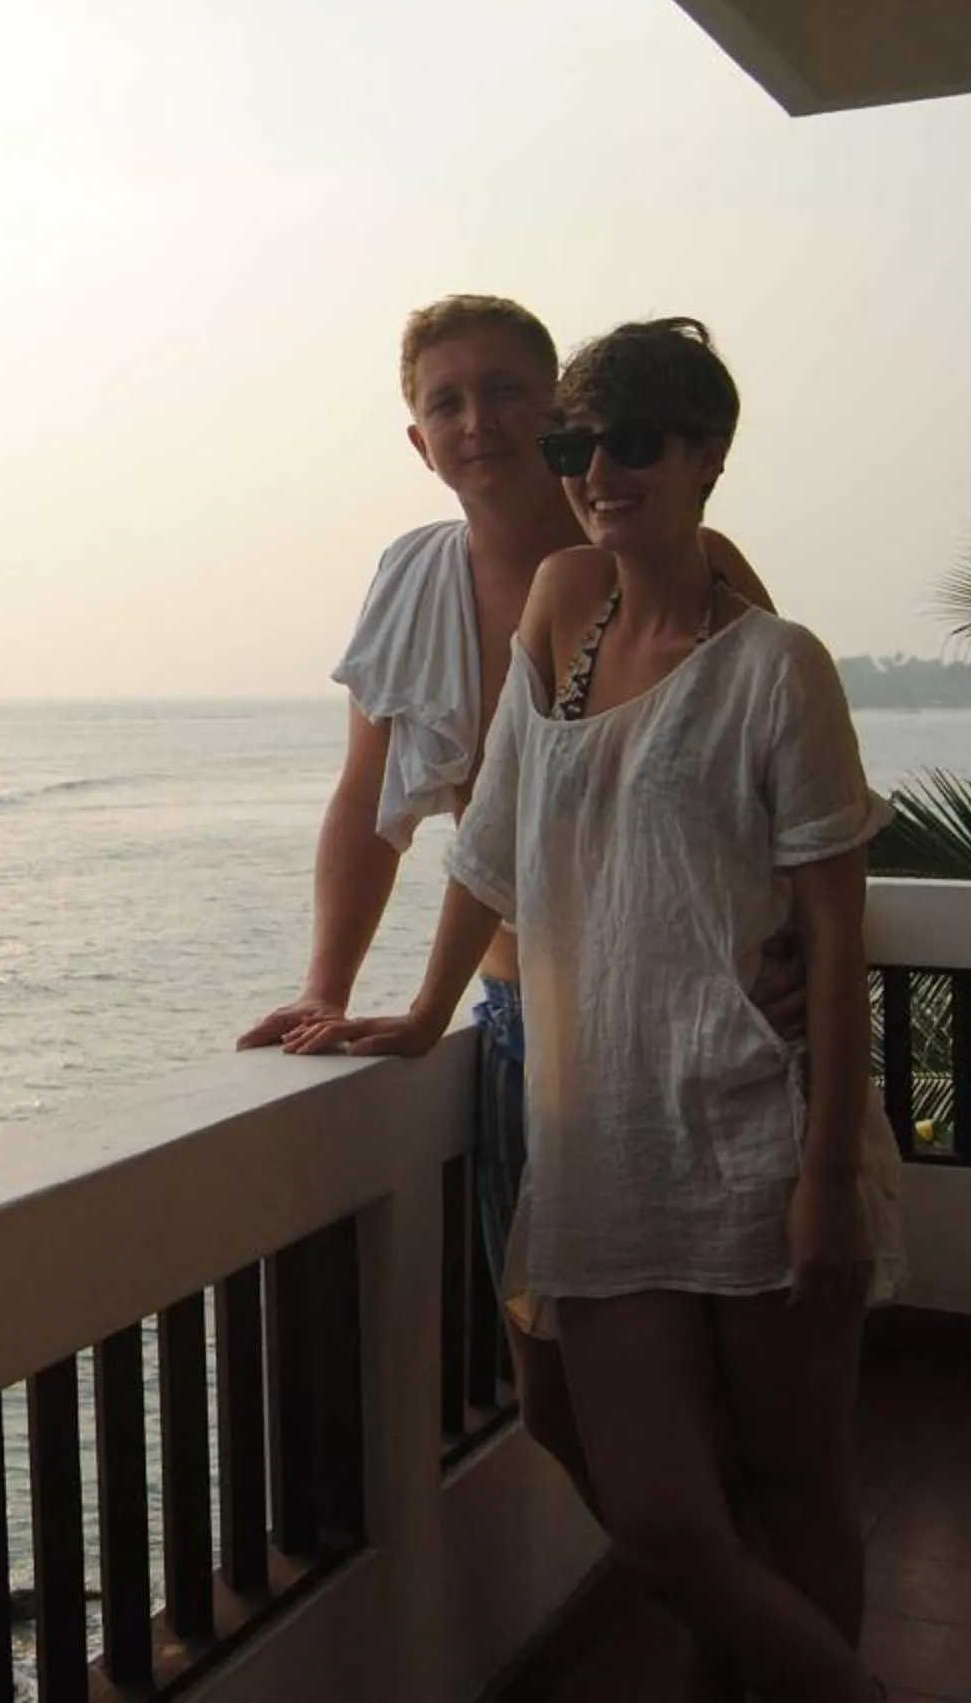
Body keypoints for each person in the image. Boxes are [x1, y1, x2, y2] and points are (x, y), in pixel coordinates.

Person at [297, 318, 906, 1702]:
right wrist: (403, 1009)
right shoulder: (553, 613)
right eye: (580, 443)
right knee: (641, 1491)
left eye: (627, 441)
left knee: (792, 1479)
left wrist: (828, 1174)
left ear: (705, 455)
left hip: (746, 1110)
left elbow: (820, 900)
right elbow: (482, 841)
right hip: (588, 1109)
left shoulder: (768, 648)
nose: (594, 468)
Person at [237, 294, 790, 1512]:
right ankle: (720, 1583)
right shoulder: (415, 579)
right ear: (419, 439)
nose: (476, 421)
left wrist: (790, 957)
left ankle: (740, 1599)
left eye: (503, 391)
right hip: (520, 1027)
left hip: (682, 1020)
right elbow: (370, 800)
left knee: (716, 1388)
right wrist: (328, 987)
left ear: (559, 413)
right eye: (446, 401)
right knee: (554, 1394)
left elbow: (774, 781)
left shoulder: (673, 561)